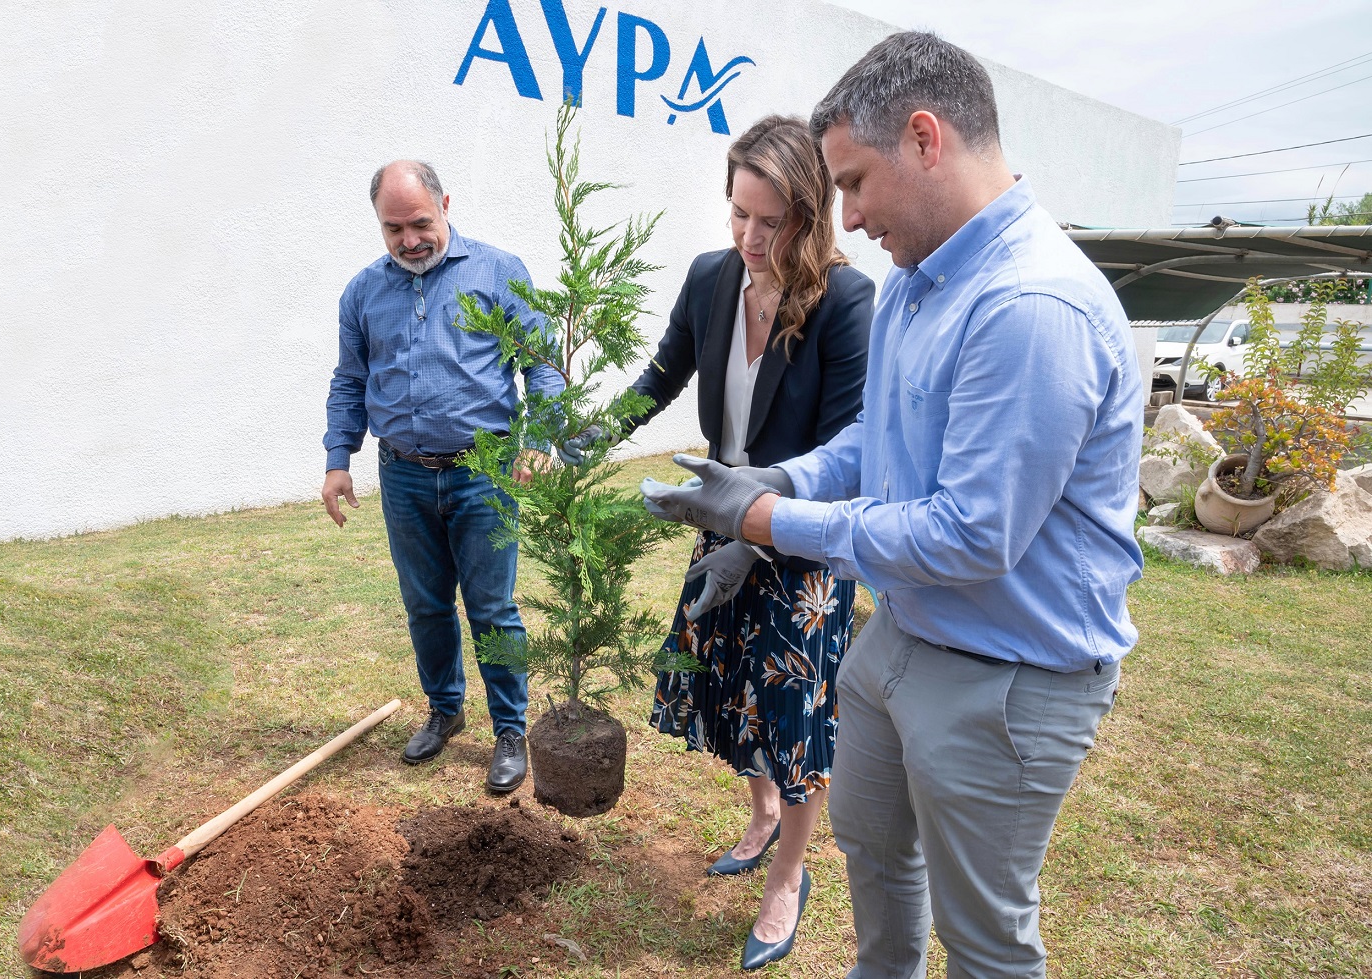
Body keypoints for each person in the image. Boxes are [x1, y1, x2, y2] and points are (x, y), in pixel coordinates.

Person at [641, 33, 1143, 979]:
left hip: (1005, 675)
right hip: (902, 640)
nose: (851, 216)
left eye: (854, 183)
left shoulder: (1028, 304)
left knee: (985, 941)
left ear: (924, 138)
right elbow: (876, 441)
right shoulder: (923, 280)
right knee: (873, 854)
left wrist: (767, 524)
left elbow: (969, 534)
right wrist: (776, 480)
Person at [568, 115, 872, 971]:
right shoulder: (711, 278)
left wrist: (757, 533)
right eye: (738, 213)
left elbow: (846, 453)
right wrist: (581, 441)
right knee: (731, 692)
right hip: (719, 523)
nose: (747, 236)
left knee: (796, 721)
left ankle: (787, 875)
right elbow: (658, 376)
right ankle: (761, 810)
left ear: (809, 215)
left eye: (769, 221)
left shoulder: (846, 302)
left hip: (801, 541)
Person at [321, 160, 562, 794]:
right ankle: (445, 710)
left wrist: (539, 441)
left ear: (446, 205)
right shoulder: (362, 293)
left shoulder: (499, 272)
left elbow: (543, 366)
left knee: (492, 608)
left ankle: (510, 730)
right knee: (426, 606)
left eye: (421, 223)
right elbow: (349, 382)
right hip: (402, 474)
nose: (409, 240)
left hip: (484, 473)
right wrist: (337, 460)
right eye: (393, 228)